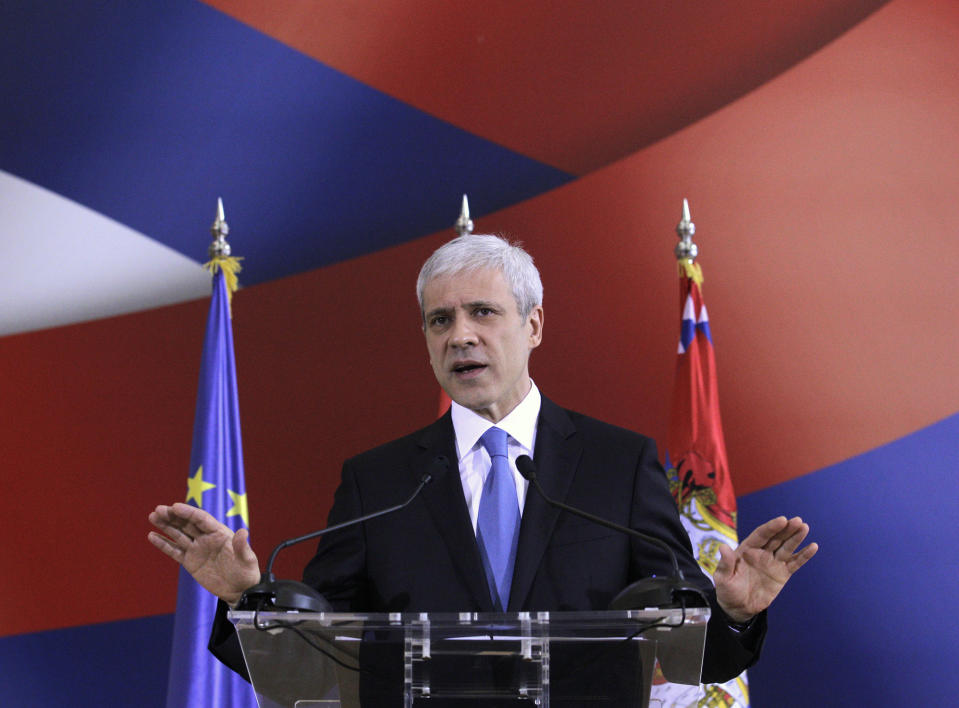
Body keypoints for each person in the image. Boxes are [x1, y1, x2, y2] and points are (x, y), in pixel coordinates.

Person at [149, 233, 817, 696]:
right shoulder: (378, 481)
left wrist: (729, 613)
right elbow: (311, 665)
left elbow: (683, 649)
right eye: (439, 321)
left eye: (481, 313)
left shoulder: (618, 464)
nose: (459, 334)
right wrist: (243, 599)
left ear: (532, 326)